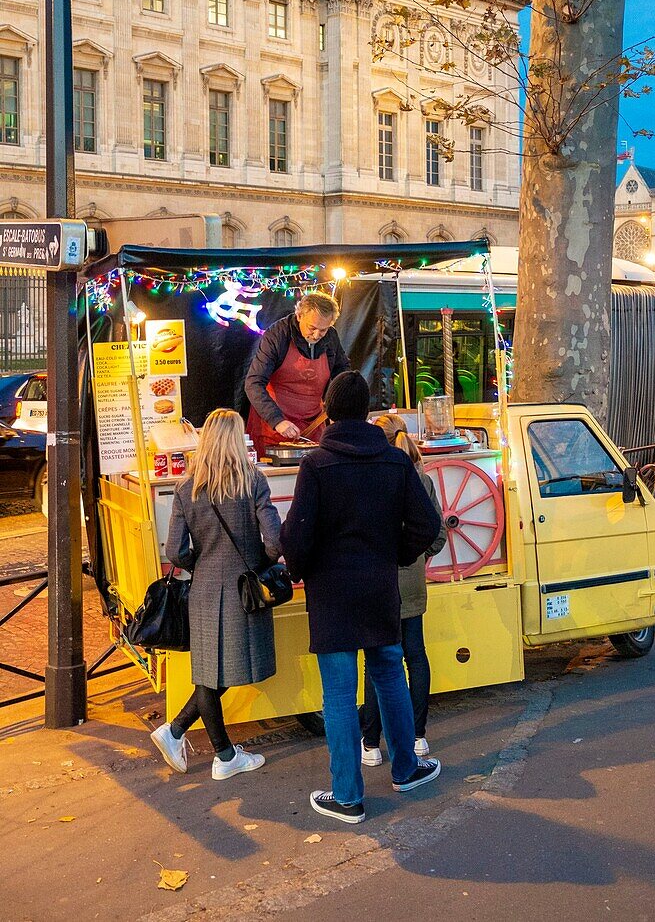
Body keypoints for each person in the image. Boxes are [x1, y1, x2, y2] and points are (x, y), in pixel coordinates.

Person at [281, 371, 443, 824]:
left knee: (338, 693)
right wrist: (395, 554)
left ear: (329, 412)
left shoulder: (316, 464)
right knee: (390, 674)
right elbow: (428, 526)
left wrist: (300, 570)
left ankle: (348, 796)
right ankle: (407, 770)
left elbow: (297, 535)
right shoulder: (393, 461)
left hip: (332, 593)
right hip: (379, 586)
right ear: (368, 412)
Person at [149, 408, 281, 780]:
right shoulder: (253, 481)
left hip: (205, 588)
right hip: (244, 588)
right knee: (214, 676)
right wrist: (259, 561)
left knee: (211, 672)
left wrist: (201, 561)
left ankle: (174, 732)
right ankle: (223, 756)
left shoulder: (186, 487)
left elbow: (174, 551)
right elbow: (274, 542)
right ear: (235, 440)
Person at [361, 413, 446, 765]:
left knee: (376, 663)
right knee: (415, 655)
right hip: (411, 584)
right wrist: (415, 560)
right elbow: (437, 534)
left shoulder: (369, 478)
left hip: (376, 584)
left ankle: (370, 744)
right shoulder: (421, 480)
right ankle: (418, 736)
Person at [245, 291, 349, 458]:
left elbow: (342, 374)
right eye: (312, 328)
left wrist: (340, 410)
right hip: (274, 426)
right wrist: (277, 420)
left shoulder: (331, 337)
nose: (317, 335)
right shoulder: (277, 335)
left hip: (314, 424)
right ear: (299, 315)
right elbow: (253, 383)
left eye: (323, 330)